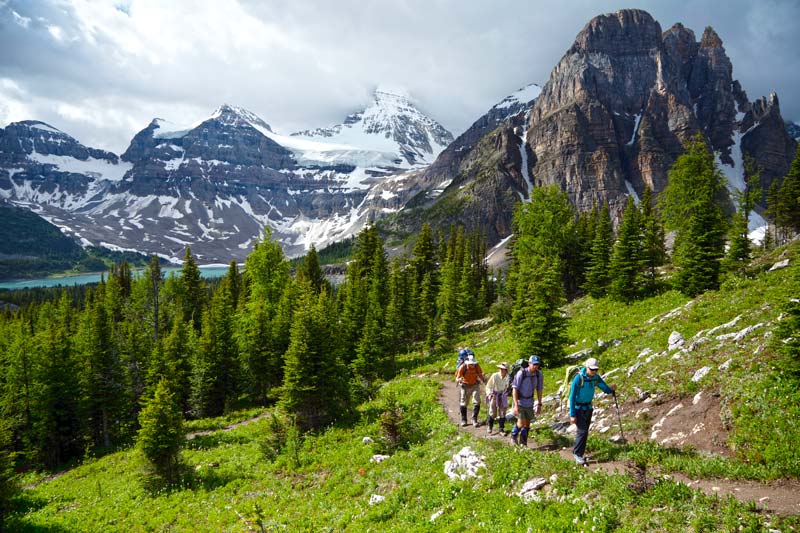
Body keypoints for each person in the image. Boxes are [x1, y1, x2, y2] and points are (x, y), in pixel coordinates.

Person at [569, 357, 616, 465]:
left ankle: (579, 454)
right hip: (578, 408)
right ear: (587, 367)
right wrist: (572, 414)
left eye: (596, 369)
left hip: (588, 408)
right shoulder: (578, 378)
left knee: (585, 432)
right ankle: (577, 454)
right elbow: (572, 397)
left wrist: (611, 389)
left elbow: (604, 388)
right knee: (582, 431)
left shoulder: (595, 378)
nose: (594, 371)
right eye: (592, 369)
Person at [511, 355, 543, 446]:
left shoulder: (539, 374)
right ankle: (513, 436)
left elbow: (539, 389)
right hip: (520, 401)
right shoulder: (521, 373)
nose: (535, 366)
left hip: (530, 402)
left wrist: (539, 404)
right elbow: (515, 389)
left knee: (528, 424)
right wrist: (516, 405)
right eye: (534, 364)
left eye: (537, 364)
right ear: (529, 363)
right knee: (521, 423)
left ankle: (523, 442)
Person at [455, 353, 485, 427]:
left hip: (475, 385)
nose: (472, 365)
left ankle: (474, 419)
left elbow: (480, 374)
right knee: (464, 403)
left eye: (473, 364)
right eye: (470, 364)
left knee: (477, 401)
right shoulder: (463, 367)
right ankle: (464, 420)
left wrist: (484, 382)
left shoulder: (476, 366)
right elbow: (457, 378)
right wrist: (459, 379)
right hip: (465, 386)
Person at [484, 362, 510, 435]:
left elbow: (510, 387)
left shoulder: (509, 377)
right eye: (500, 368)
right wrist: (489, 393)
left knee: (503, 412)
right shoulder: (495, 375)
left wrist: (508, 392)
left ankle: (501, 429)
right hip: (494, 394)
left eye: (503, 369)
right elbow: (489, 386)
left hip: (503, 395)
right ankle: (490, 426)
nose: (501, 370)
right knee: (492, 411)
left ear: (506, 370)